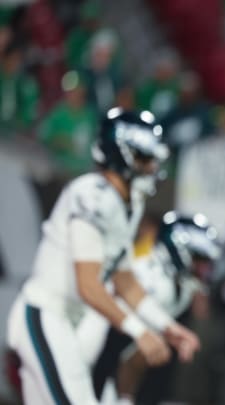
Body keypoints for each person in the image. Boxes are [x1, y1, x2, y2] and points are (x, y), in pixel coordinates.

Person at [5, 108, 200, 405]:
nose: (151, 167)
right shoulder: (90, 195)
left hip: (69, 323)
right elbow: (89, 285)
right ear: (121, 153)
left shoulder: (128, 204)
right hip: (45, 315)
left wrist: (166, 327)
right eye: (144, 158)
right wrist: (139, 331)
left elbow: (124, 281)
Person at [77, 211, 221, 403]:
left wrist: (125, 397)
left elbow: (135, 352)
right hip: (82, 351)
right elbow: (109, 334)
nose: (204, 270)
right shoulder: (148, 275)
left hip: (106, 360)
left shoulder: (181, 290)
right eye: (199, 260)